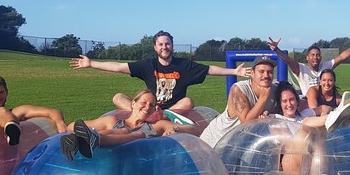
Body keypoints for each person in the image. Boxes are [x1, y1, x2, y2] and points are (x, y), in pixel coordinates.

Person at [70, 30, 249, 113]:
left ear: (172, 45)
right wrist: (91, 63)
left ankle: (160, 117)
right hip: (149, 106)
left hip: (172, 110)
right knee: (118, 97)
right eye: (161, 44)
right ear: (156, 47)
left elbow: (210, 70)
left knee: (188, 101)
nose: (165, 47)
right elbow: (118, 67)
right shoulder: (147, 65)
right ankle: (146, 114)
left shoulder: (183, 65)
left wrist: (234, 70)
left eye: (167, 43)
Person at [268, 82, 350, 175]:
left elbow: (325, 108)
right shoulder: (276, 119)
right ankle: (336, 118)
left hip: (311, 165)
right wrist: (308, 131)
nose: (289, 104)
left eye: (292, 99)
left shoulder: (304, 114)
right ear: (280, 104)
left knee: (318, 133)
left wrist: (324, 114)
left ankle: (335, 118)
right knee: (307, 126)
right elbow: (286, 143)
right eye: (285, 101)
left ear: (297, 101)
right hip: (291, 166)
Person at [60, 90, 201, 160]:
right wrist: (78, 132)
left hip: (138, 163)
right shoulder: (112, 121)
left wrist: (173, 127)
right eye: (143, 103)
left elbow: (195, 130)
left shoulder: (157, 125)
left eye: (151, 105)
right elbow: (71, 126)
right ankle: (86, 139)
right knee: (122, 131)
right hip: (111, 161)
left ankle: (94, 139)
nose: (147, 107)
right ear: (133, 103)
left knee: (136, 134)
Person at [199, 56, 280, 148]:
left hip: (242, 144)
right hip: (217, 142)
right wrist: (263, 98)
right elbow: (246, 122)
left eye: (270, 72)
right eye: (261, 72)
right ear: (252, 73)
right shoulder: (239, 89)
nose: (266, 75)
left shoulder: (275, 89)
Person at [267, 32, 350, 97]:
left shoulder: (325, 67)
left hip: (325, 100)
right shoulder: (301, 69)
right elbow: (288, 60)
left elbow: (343, 56)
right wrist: (276, 49)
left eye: (317, 55)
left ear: (320, 57)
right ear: (307, 57)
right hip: (308, 103)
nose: (315, 57)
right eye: (312, 55)